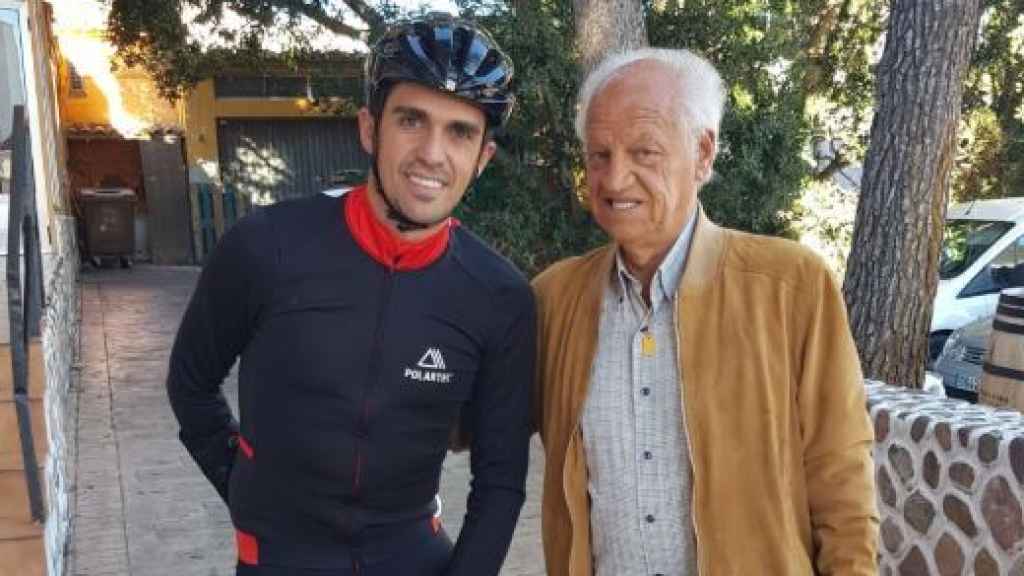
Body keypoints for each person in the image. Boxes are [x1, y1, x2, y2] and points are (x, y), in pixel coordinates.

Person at [167, 14, 535, 576]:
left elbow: (502, 478)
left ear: (482, 157)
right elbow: (190, 385)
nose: (433, 153)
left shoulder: (499, 296)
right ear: (370, 129)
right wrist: (244, 489)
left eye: (460, 131)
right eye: (412, 120)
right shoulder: (267, 247)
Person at [532, 48, 879, 575]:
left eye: (643, 152)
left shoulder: (790, 286)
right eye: (599, 155)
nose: (615, 177)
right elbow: (466, 418)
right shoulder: (555, 300)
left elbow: (842, 477)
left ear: (703, 153)